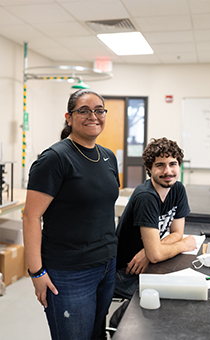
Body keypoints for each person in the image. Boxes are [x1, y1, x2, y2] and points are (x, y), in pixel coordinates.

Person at [23, 89, 120, 340]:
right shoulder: (55, 159)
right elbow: (30, 217)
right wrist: (37, 272)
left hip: (106, 265)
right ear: (69, 117)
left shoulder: (108, 157)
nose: (93, 116)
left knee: (97, 335)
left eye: (99, 110)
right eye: (84, 111)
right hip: (69, 273)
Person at [114, 137, 197, 300]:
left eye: (172, 164)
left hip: (148, 265)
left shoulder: (177, 189)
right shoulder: (147, 197)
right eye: (160, 165)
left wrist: (149, 251)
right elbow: (159, 253)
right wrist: (183, 245)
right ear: (149, 169)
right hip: (126, 272)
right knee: (172, 302)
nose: (168, 171)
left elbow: (176, 233)